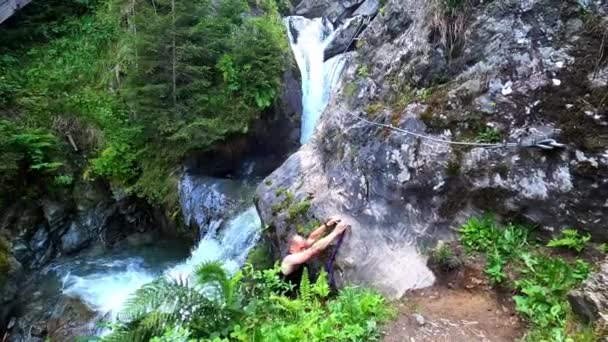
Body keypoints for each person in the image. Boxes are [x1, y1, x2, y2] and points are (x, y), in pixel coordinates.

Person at [280, 218, 350, 289]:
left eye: (304, 247)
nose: (304, 249)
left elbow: (312, 238)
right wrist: (336, 232)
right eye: (301, 248)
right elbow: (312, 250)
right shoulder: (289, 260)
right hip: (286, 294)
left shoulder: (299, 250)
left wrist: (327, 225)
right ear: (292, 249)